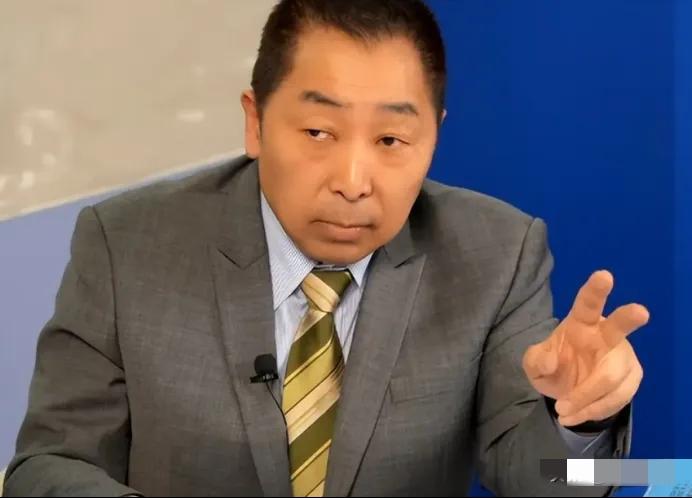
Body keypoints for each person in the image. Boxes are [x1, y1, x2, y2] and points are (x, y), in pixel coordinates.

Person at [3, 1, 649, 496]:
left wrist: (578, 423)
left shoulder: (497, 255)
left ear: (435, 136)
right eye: (318, 131)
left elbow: (547, 482)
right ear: (255, 121)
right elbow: (44, 468)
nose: (353, 181)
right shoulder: (127, 246)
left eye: (391, 140)